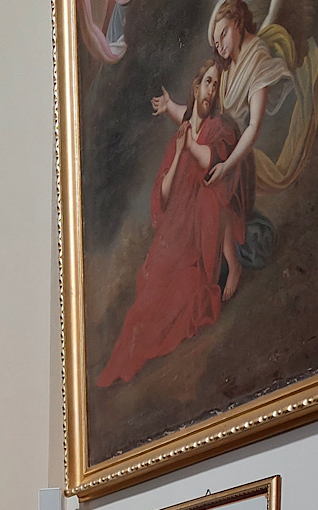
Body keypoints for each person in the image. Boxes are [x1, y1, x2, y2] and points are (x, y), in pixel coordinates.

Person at [100, 59, 242, 387]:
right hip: (173, 233)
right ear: (196, 87)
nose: (211, 90)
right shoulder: (179, 141)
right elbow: (162, 195)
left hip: (200, 235)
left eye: (216, 85)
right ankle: (125, 361)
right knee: (146, 304)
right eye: (207, 82)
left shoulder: (220, 131)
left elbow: (212, 163)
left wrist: (187, 141)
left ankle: (233, 264)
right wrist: (179, 152)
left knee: (184, 296)